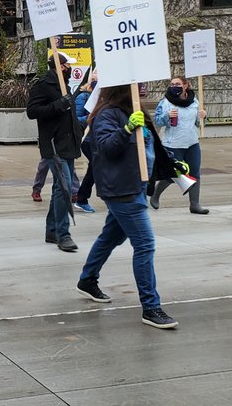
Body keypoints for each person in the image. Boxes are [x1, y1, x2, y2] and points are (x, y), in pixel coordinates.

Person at [75, 84, 178, 329]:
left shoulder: (134, 110)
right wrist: (127, 128)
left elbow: (149, 150)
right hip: (122, 190)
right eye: (137, 86)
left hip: (135, 186)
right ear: (123, 89)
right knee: (144, 244)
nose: (141, 90)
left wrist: (174, 166)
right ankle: (150, 306)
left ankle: (87, 279)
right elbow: (107, 148)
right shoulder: (108, 114)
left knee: (110, 237)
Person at [27, 54, 81, 252]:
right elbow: (32, 111)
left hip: (68, 145)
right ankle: (62, 234)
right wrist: (60, 104)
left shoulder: (65, 86)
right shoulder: (43, 86)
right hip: (54, 145)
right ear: (59, 66)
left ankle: (52, 230)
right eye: (67, 64)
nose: (69, 68)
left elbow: (69, 115)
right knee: (64, 187)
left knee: (60, 186)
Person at [151, 76, 209, 214]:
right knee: (174, 174)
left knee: (195, 173)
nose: (174, 86)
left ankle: (194, 204)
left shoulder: (194, 101)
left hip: (192, 143)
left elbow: (198, 123)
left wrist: (203, 117)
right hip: (173, 144)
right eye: (172, 84)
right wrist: (166, 116)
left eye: (177, 84)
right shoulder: (165, 102)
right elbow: (157, 122)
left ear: (185, 85)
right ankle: (155, 195)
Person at [73, 69, 98, 214]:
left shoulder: (108, 96)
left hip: (103, 137)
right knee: (96, 166)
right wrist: (90, 118)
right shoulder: (84, 96)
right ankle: (82, 198)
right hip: (88, 139)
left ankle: (82, 197)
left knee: (97, 168)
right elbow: (75, 120)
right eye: (96, 72)